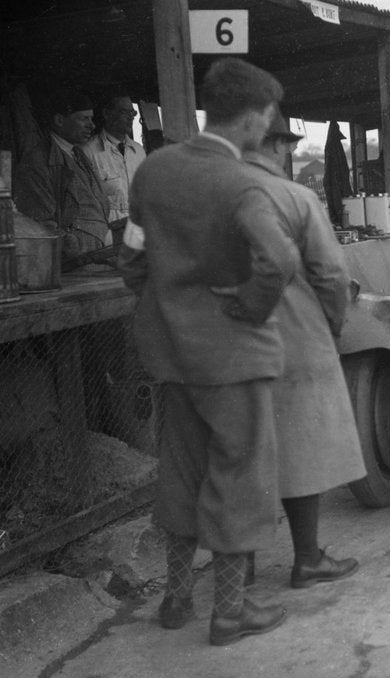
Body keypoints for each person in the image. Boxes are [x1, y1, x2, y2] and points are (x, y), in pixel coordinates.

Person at [119, 58, 296, 646]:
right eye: (267, 117)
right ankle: (230, 612)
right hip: (234, 357)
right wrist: (247, 305)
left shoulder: (152, 171)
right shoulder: (241, 182)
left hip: (170, 353)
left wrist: (165, 305)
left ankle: (176, 599)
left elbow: (133, 256)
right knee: (238, 478)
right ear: (253, 119)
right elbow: (279, 260)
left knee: (180, 474)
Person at [239, 110, 365, 589]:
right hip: (294, 336)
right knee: (303, 452)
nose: (290, 153)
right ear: (273, 145)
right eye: (287, 145)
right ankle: (307, 558)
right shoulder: (294, 196)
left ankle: (241, 568)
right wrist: (333, 324)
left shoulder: (216, 192)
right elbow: (332, 275)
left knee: (242, 453)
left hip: (232, 343)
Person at [13, 88, 111, 268]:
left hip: (97, 263)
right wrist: (76, 249)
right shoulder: (38, 163)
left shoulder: (78, 154)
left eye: (91, 118)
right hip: (73, 269)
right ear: (59, 120)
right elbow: (39, 227)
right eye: (84, 119)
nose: (92, 125)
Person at [81, 92, 146, 227]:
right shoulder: (88, 152)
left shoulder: (138, 151)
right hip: (109, 233)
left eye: (132, 112)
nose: (130, 118)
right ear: (107, 114)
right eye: (124, 112)